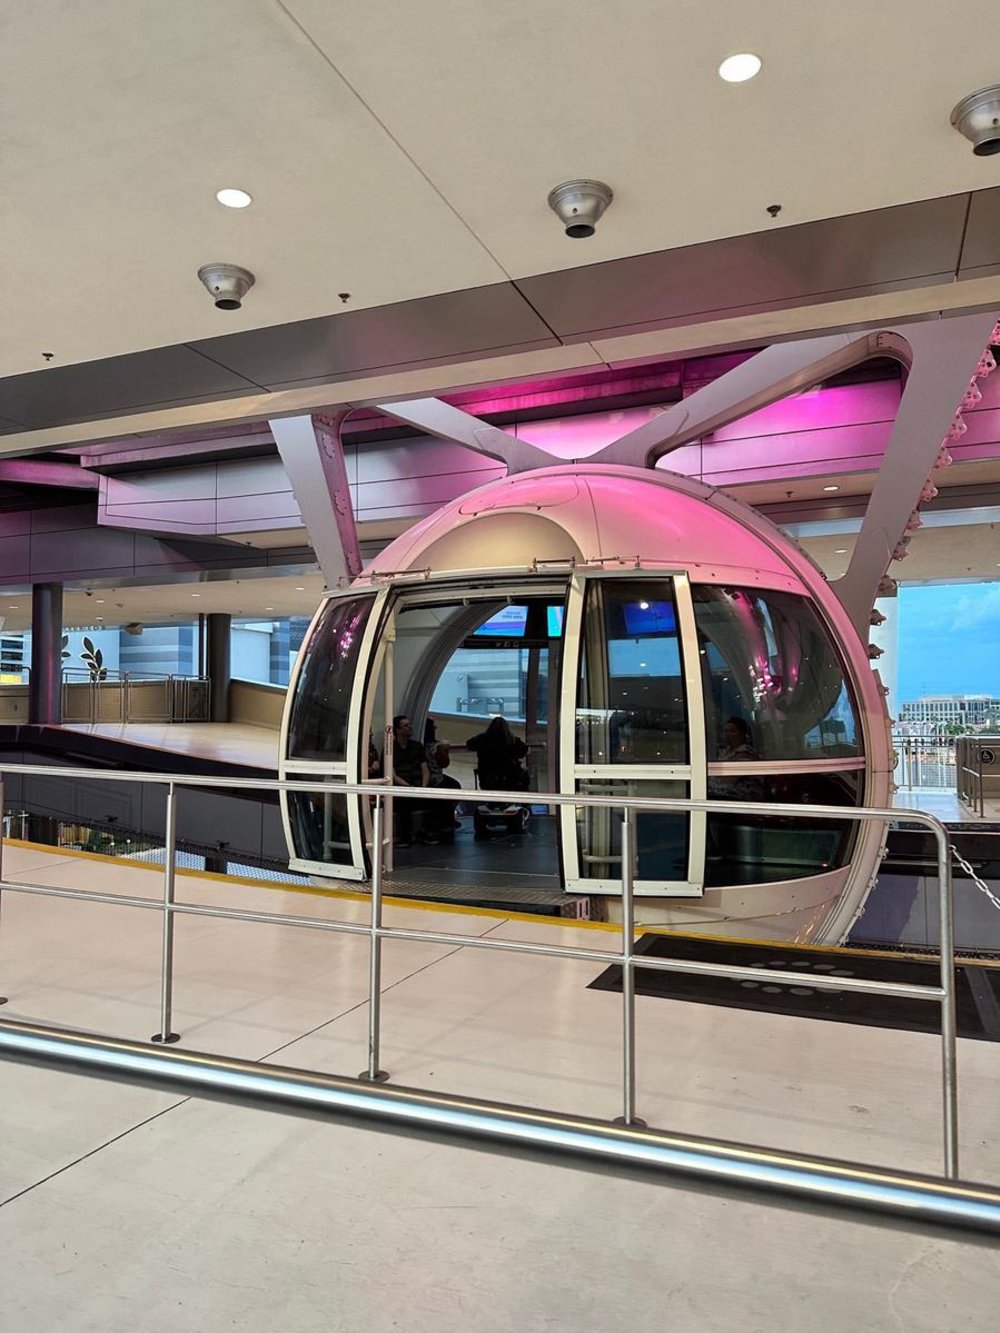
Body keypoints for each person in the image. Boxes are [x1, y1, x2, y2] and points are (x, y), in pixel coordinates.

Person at [387, 714, 433, 846]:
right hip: (403, 784)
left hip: (418, 783)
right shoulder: (390, 749)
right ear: (397, 730)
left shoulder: (417, 746)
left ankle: (426, 832)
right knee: (403, 800)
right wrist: (408, 786)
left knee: (434, 797)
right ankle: (405, 836)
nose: (410, 727)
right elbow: (393, 774)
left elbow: (424, 768)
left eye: (410, 725)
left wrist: (424, 786)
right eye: (406, 726)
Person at [467, 716, 529, 793]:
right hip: (510, 780)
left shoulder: (482, 739)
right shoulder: (513, 740)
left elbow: (469, 744)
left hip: (487, 779)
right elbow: (524, 751)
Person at [423, 717, 462, 834]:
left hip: (429, 778)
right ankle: (447, 821)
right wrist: (444, 750)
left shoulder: (423, 745)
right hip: (436, 779)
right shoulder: (435, 746)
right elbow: (444, 764)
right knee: (455, 788)